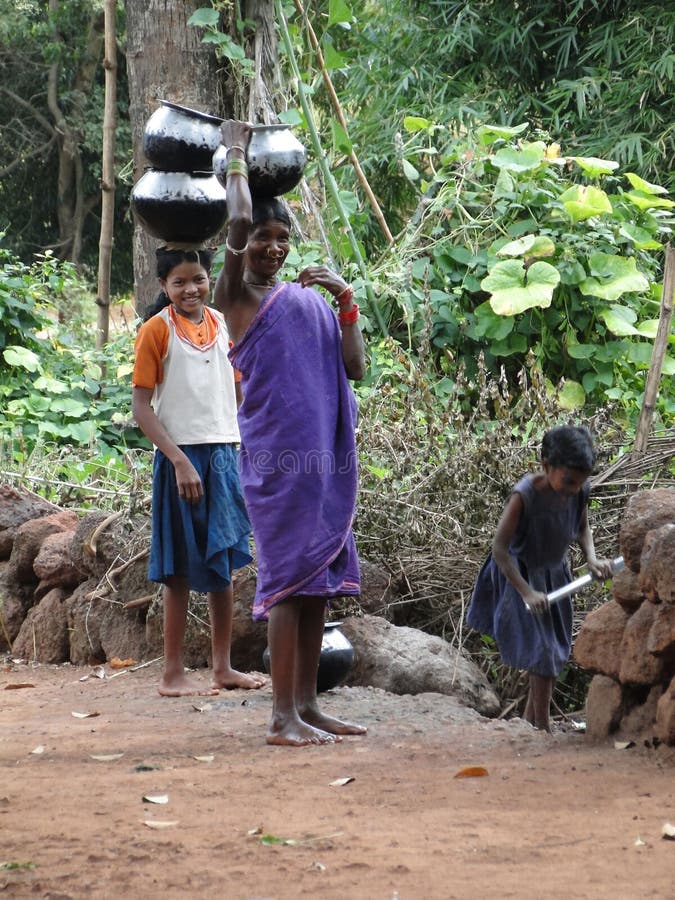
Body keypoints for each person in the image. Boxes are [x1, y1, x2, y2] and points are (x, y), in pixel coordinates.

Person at [213, 119, 368, 746]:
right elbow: (238, 222)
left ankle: (308, 705)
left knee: (317, 587)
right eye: (261, 239)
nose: (271, 248)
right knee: (286, 584)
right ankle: (281, 717)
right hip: (280, 465)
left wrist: (347, 301)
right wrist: (239, 157)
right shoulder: (237, 296)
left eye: (281, 238)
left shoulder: (307, 299)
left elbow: (354, 368)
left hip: (324, 464)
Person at [132, 245, 265, 697]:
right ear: (164, 287)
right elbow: (141, 406)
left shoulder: (225, 325)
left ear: (210, 279)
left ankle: (222, 667)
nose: (191, 289)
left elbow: (239, 394)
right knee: (180, 570)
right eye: (179, 282)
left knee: (223, 562)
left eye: (198, 279)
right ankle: (172, 674)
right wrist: (179, 460)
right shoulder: (156, 330)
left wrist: (253, 446)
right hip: (180, 458)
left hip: (224, 455)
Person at [466, 425, 613, 732]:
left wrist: (592, 558)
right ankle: (543, 727)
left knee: (552, 649)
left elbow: (583, 527)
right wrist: (527, 593)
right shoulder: (525, 496)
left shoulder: (579, 491)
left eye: (580, 483)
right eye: (568, 481)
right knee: (542, 651)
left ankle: (531, 722)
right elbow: (499, 550)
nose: (573, 489)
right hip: (519, 577)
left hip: (555, 575)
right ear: (546, 465)